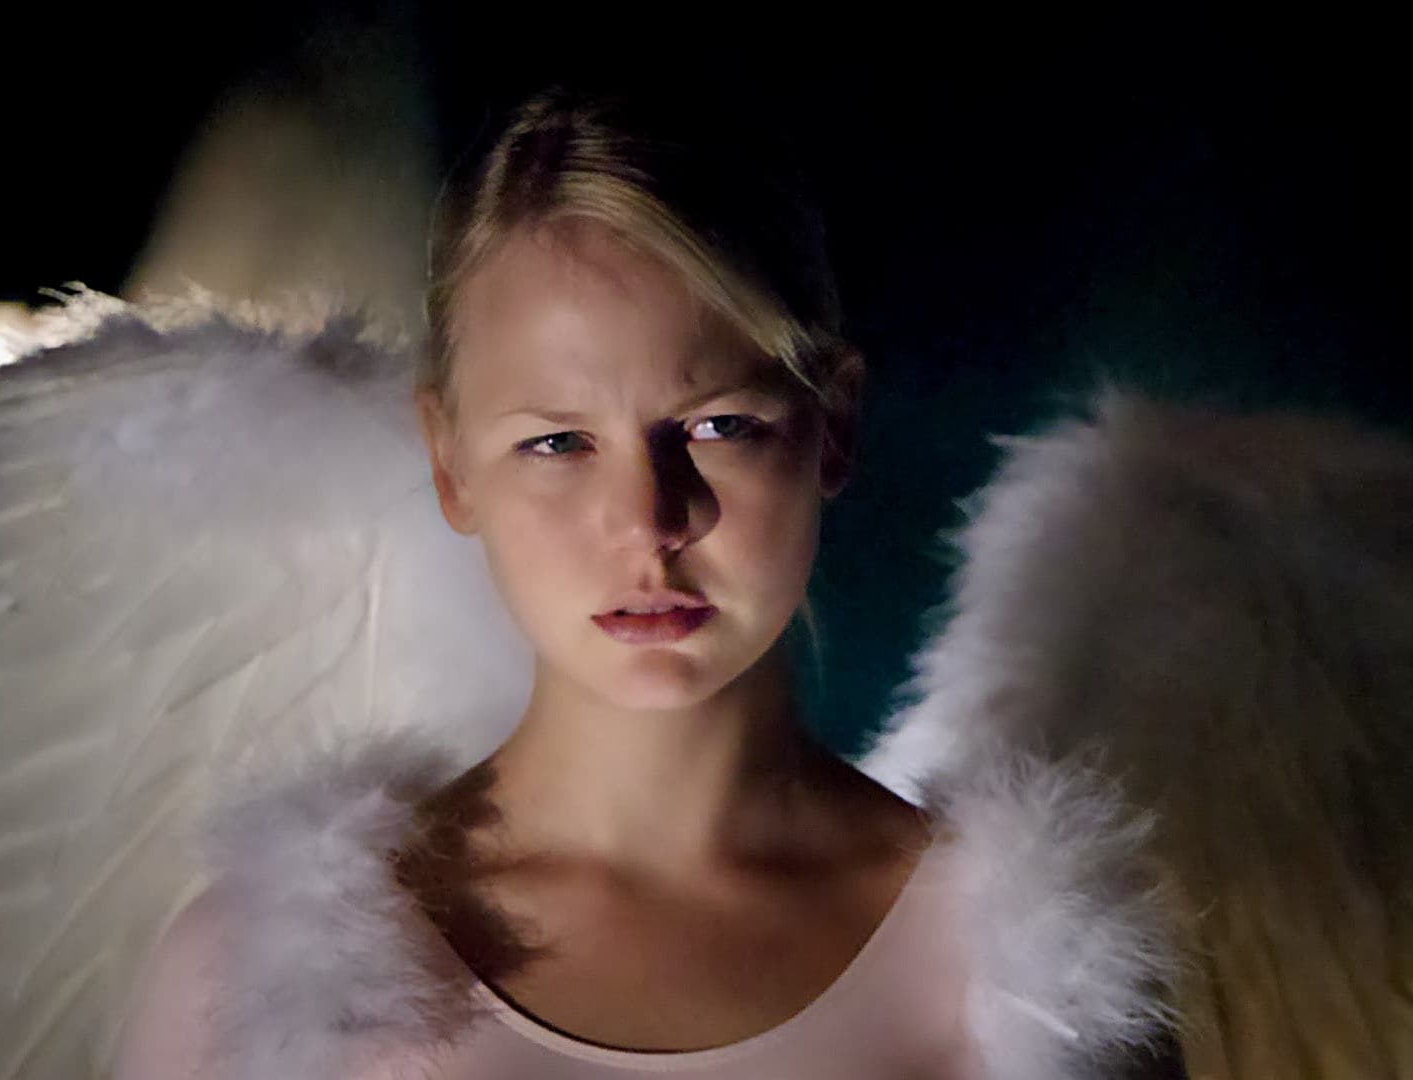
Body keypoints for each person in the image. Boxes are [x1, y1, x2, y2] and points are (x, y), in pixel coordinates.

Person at [105, 87, 1078, 1079]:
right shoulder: (258, 980)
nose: (648, 522)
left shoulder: (1026, 979)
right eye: (559, 442)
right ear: (450, 463)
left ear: (834, 425)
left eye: (718, 426)